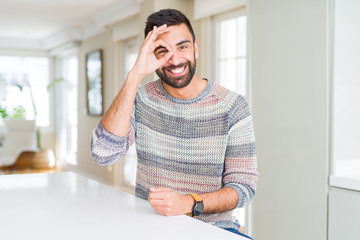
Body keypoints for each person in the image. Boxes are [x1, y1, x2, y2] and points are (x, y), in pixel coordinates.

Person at [91, 8, 257, 238]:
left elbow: (244, 188)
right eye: (162, 51)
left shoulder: (232, 106)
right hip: (150, 226)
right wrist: (135, 75)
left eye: (182, 46)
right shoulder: (140, 98)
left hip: (214, 228)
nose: (176, 59)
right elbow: (102, 153)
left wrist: (189, 204)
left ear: (195, 48)